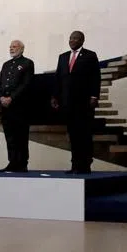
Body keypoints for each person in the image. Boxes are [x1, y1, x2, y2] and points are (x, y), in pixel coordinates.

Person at [51, 30, 101, 174]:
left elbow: (95, 78)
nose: (72, 40)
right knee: (73, 135)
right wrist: (55, 96)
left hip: (84, 102)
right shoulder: (63, 57)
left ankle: (85, 165)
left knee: (84, 134)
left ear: (82, 40)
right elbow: (58, 78)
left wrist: (94, 96)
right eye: (71, 38)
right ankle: (75, 165)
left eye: (75, 38)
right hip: (67, 102)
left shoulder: (90, 56)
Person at [0, 39, 34, 172]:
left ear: (22, 49)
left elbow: (26, 84)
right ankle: (12, 162)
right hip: (6, 107)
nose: (11, 49)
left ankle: (22, 163)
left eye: (15, 47)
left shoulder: (27, 63)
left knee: (21, 136)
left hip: (20, 106)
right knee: (10, 136)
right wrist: (0, 97)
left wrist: (11, 98)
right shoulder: (6, 65)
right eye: (10, 47)